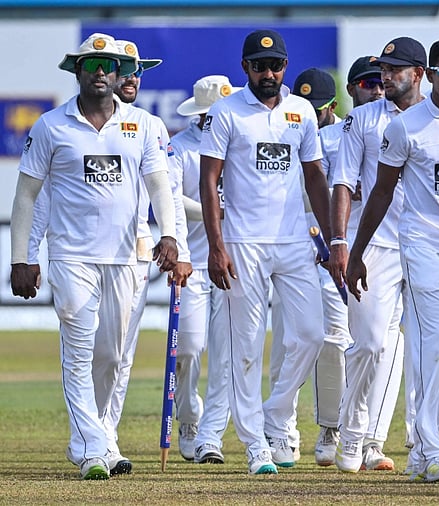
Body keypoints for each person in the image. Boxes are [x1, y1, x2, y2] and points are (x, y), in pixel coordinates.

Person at [10, 32, 179, 480]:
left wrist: (170, 235)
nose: (100, 72)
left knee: (113, 356)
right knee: (80, 351)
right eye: (91, 64)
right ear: (77, 70)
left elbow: (160, 185)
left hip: (126, 259)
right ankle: (90, 449)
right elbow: (27, 196)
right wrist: (21, 258)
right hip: (72, 258)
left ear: (120, 73)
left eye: (108, 66)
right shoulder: (51, 126)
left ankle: (102, 435)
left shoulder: (142, 123)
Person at [339, 37, 439, 483]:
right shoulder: (390, 125)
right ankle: (411, 444)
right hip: (412, 244)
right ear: (433, 73)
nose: (386, 75)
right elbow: (375, 191)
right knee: (404, 341)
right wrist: (354, 249)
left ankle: (421, 450)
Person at [198, 28, 331, 475]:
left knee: (313, 334)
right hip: (242, 242)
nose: (268, 73)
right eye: (259, 66)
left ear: (285, 67)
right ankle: (256, 444)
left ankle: (275, 410)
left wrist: (332, 239)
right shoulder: (225, 111)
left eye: (275, 65)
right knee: (246, 347)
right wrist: (217, 247)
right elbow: (209, 181)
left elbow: (315, 177)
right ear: (245, 68)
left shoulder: (301, 111)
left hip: (294, 241)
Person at [329, 37, 426, 475]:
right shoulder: (363, 119)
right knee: (368, 342)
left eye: (394, 69)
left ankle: (372, 443)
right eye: (383, 69)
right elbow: (344, 183)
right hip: (376, 245)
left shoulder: (435, 118)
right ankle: (350, 434)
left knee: (398, 345)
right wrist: (341, 242)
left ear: (418, 73)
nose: (385, 76)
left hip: (426, 245)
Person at [107, 39, 193, 464]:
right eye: (125, 69)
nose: (133, 78)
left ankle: (105, 435)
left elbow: (169, 194)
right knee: (95, 349)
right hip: (87, 253)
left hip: (139, 250)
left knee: (122, 350)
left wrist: (174, 241)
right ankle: (94, 434)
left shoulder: (151, 125)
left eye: (139, 70)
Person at [172, 75, 240, 464]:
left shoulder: (240, 139)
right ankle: (188, 419)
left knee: (229, 350)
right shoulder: (180, 147)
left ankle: (210, 430)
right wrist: (221, 212)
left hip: (236, 261)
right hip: (195, 262)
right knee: (190, 347)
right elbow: (172, 198)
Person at [288, 67, 353, 467]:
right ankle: (294, 432)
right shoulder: (287, 129)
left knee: (342, 339)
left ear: (331, 107)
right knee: (299, 342)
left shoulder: (344, 135)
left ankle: (343, 430)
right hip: (295, 250)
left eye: (318, 110)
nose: (310, 117)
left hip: (339, 251)